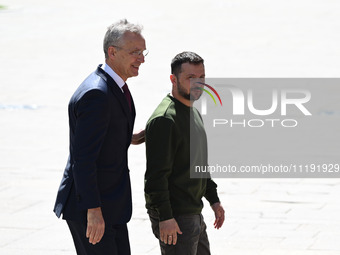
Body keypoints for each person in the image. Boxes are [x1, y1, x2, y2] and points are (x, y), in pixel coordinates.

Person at [53, 19, 147, 255]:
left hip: (110, 204)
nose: (142, 59)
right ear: (112, 52)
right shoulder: (97, 94)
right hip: (93, 208)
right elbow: (82, 159)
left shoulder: (116, 85)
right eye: (135, 52)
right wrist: (93, 211)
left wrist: (129, 137)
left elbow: (99, 134)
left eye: (143, 52)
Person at [144, 51, 225, 255]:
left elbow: (199, 164)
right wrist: (165, 218)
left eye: (202, 77)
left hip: (192, 211)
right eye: (190, 78)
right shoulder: (165, 120)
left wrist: (213, 200)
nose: (198, 83)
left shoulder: (193, 113)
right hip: (176, 216)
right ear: (173, 79)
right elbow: (155, 177)